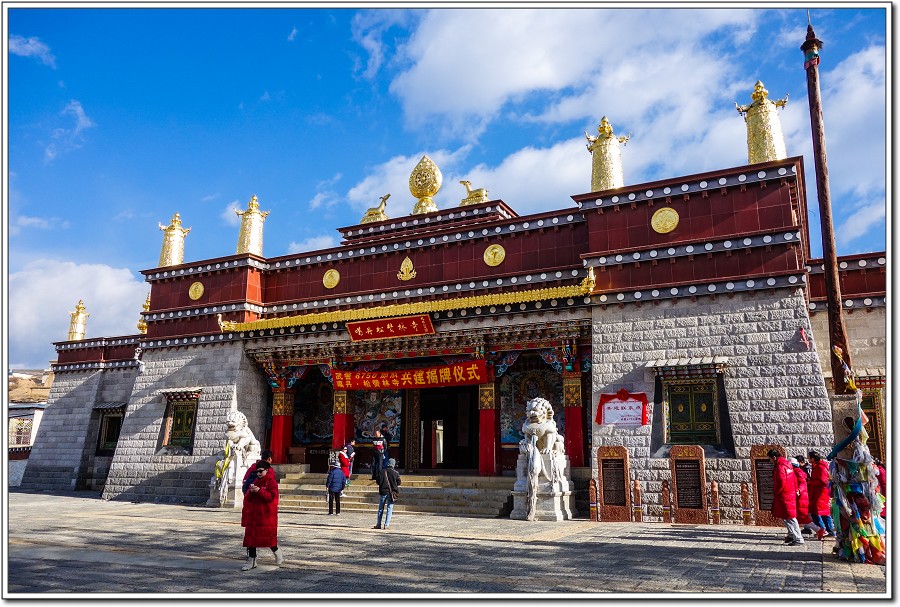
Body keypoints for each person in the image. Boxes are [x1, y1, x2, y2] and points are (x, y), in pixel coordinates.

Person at [240, 461, 283, 570]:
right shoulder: (255, 481)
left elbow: (271, 497)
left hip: (266, 515)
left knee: (268, 538)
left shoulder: (271, 482)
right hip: (254, 515)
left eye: (260, 471)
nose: (258, 473)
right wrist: (251, 492)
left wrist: (260, 491)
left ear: (267, 470)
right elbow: (248, 498)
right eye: (257, 471)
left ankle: (277, 552)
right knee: (251, 538)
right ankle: (252, 560)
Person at [768, 449, 803, 546]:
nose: (770, 461)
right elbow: (794, 479)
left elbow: (781, 481)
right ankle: (791, 535)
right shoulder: (788, 464)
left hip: (784, 494)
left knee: (789, 517)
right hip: (790, 493)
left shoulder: (780, 466)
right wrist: (795, 489)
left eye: (770, 459)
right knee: (786, 516)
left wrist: (776, 492)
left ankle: (798, 538)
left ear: (774, 457)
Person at [791, 457, 822, 539]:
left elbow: (802, 483)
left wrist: (799, 490)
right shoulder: (796, 471)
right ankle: (793, 534)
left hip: (801, 497)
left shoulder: (797, 472)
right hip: (800, 496)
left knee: (802, 517)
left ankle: (819, 530)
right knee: (798, 517)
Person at [807, 450, 836, 537]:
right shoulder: (817, 466)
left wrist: (810, 482)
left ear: (813, 458)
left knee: (816, 511)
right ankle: (830, 530)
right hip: (818, 492)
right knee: (823, 512)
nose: (808, 459)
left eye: (809, 457)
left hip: (820, 493)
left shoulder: (820, 468)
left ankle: (822, 530)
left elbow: (824, 482)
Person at [373, 458, 401, 530]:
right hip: (391, 492)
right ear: (393, 464)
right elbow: (399, 482)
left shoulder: (382, 471)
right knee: (389, 508)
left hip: (383, 491)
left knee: (380, 508)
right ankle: (386, 525)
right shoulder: (396, 473)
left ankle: (378, 524)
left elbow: (378, 481)